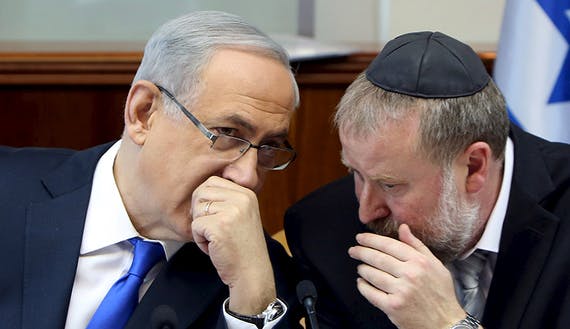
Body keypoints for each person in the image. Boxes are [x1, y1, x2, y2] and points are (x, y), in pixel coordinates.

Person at [0, 11, 303, 329]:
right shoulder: (9, 192)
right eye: (227, 133)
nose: (247, 176)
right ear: (143, 113)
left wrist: (251, 300)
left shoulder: (259, 276)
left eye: (268, 147)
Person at [284, 31, 570, 329]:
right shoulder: (323, 230)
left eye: (390, 185)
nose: (365, 212)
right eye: (355, 173)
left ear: (474, 167)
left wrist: (448, 323)